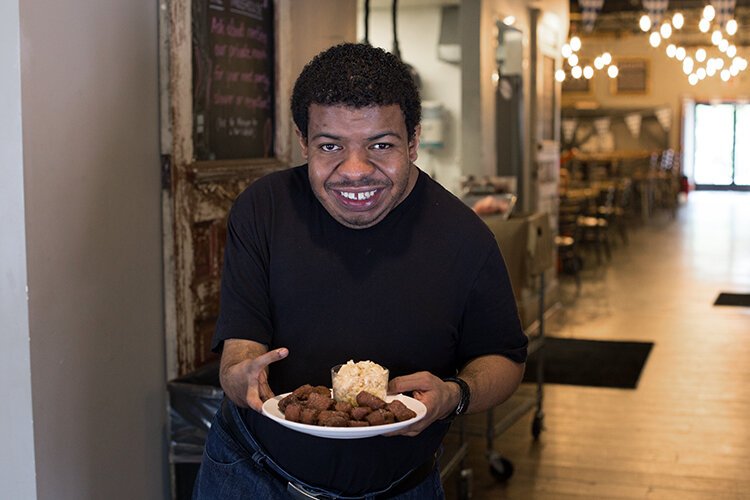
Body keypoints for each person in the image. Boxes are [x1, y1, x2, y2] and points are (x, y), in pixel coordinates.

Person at [192, 42, 528, 500]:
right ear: (303, 141)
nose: (354, 171)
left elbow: (504, 358)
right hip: (251, 474)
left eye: (380, 145)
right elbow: (241, 346)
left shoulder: (465, 238)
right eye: (330, 146)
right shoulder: (264, 208)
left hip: (400, 488)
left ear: (413, 141)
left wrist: (456, 394)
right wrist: (238, 375)